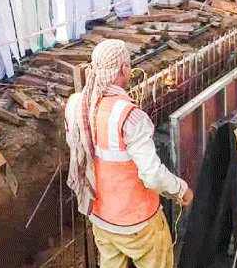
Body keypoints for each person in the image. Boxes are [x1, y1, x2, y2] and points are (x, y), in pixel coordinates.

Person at [64, 39, 193, 268]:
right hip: (138, 223)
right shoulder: (130, 117)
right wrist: (180, 189)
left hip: (101, 219)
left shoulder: (75, 105)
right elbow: (152, 176)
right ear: (124, 69)